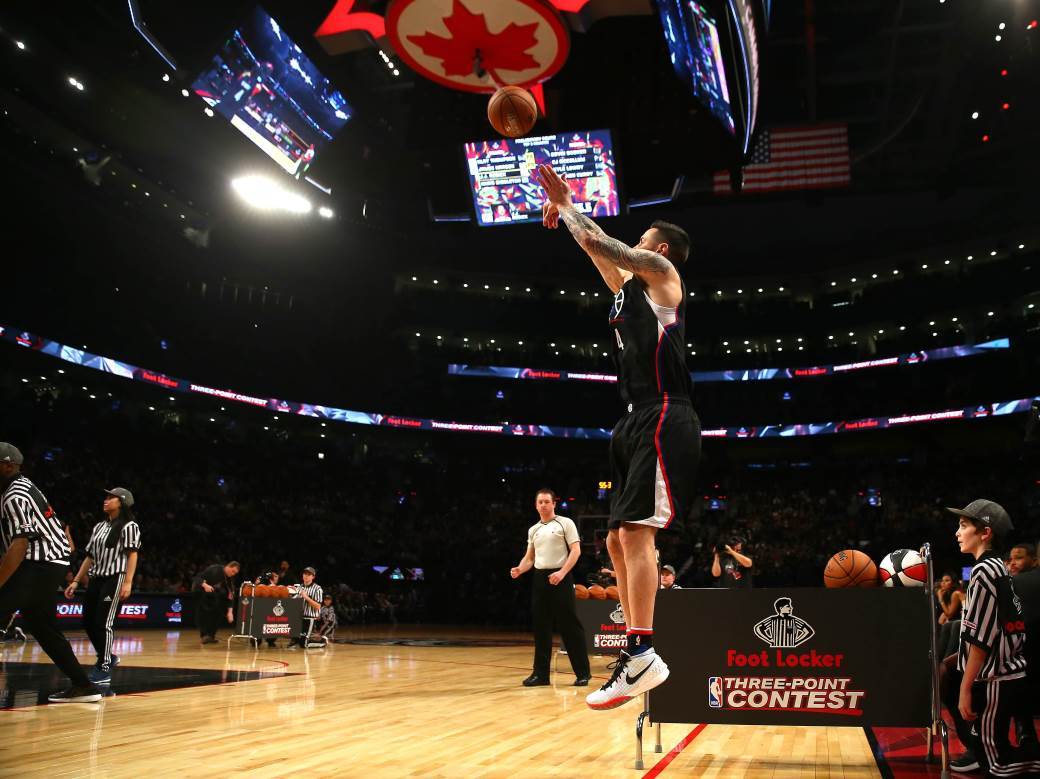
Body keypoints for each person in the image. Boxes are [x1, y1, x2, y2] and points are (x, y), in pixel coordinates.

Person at [537, 164, 700, 710]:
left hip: (664, 413)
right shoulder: (631, 291)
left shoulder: (662, 274)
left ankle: (643, 652)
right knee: (613, 539)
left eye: (643, 240)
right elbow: (598, 252)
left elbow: (605, 243)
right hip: (631, 419)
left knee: (636, 535)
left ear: (660, 249)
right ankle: (638, 654)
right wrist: (565, 215)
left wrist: (568, 203)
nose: (635, 244)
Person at [943, 499, 1040, 775]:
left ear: (985, 532)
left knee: (996, 762)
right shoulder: (999, 566)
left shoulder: (984, 572)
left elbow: (981, 638)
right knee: (990, 751)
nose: (957, 533)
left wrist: (965, 687)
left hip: (994, 677)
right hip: (1006, 671)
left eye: (963, 526)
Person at [0, 442, 101, 702]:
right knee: (42, 627)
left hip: (40, 562)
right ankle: (84, 686)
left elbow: (20, 544)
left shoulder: (14, 495)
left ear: (8, 465)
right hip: (51, 562)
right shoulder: (21, 486)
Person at [510, 488, 591, 687]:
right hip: (540, 578)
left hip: (561, 576)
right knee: (541, 627)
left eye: (547, 501)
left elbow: (576, 551)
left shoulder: (565, 523)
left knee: (569, 626)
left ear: (554, 503)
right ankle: (541, 675)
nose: (544, 505)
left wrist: (562, 573)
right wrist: (520, 569)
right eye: (541, 502)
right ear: (536, 505)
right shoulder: (533, 529)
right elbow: (530, 558)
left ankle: (583, 673)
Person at [65, 487, 142, 684]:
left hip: (114, 578)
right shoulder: (99, 526)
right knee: (87, 622)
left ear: (122, 502)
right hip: (96, 579)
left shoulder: (129, 526)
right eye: (106, 497)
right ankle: (109, 656)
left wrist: (128, 582)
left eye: (111, 498)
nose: (106, 500)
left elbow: (133, 554)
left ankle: (105, 665)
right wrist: (75, 581)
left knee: (103, 622)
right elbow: (89, 556)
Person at [194, 560, 240, 644]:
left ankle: (210, 636)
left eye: (235, 573)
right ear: (228, 566)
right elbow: (198, 578)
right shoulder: (214, 569)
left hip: (216, 599)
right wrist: (205, 585)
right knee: (204, 616)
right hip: (204, 596)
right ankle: (204, 636)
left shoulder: (229, 579)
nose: (233, 574)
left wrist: (230, 612)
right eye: (233, 571)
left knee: (218, 614)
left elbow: (231, 596)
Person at [290, 566, 322, 648]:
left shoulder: (317, 589)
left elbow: (318, 606)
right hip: (299, 618)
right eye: (305, 574)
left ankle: (322, 641)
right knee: (294, 642)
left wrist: (306, 597)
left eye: (309, 574)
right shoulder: (298, 587)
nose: (306, 576)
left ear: (313, 577)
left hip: (310, 618)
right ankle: (302, 639)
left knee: (304, 644)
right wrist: (290, 593)